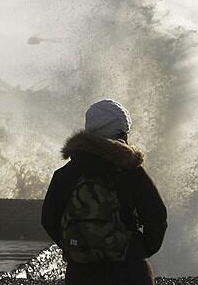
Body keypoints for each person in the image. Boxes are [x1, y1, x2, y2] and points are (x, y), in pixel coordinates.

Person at [41, 99, 167, 285]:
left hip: (81, 275)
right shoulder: (131, 172)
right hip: (129, 272)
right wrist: (136, 249)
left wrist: (78, 248)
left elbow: (48, 219)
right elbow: (156, 216)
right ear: (121, 133)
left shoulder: (65, 174)